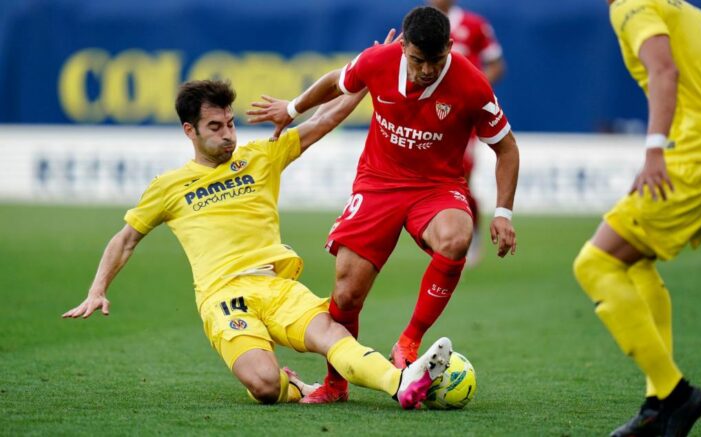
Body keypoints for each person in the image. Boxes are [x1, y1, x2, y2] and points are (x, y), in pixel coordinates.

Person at [61, 76, 453, 409]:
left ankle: (400, 383)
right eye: (215, 126)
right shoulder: (168, 187)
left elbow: (324, 119)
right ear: (189, 131)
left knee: (335, 336)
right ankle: (296, 385)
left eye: (230, 124)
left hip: (275, 285)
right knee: (264, 385)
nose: (228, 134)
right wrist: (98, 289)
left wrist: (368, 78)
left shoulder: (260, 156)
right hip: (222, 296)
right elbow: (125, 239)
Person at [249, 6, 520, 404]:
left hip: (437, 186)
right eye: (417, 60)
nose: (426, 70)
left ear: (449, 46)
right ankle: (335, 386)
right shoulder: (378, 62)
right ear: (404, 48)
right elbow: (335, 82)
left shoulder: (472, 84)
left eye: (436, 60)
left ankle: (409, 343)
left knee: (456, 237)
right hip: (378, 183)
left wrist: (502, 213)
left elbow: (507, 148)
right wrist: (291, 109)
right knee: (346, 293)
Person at [573, 1, 701, 436]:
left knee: (595, 263)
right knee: (632, 260)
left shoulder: (631, 4)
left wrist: (654, 150)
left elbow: (664, 72)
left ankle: (677, 396)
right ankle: (657, 407)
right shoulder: (697, 16)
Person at [429, 0, 506, 265]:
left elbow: (496, 64)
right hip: (428, 113)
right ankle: (438, 230)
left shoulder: (474, 25)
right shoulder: (420, 22)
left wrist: (473, 88)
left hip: (461, 115)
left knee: (461, 175)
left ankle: (470, 232)